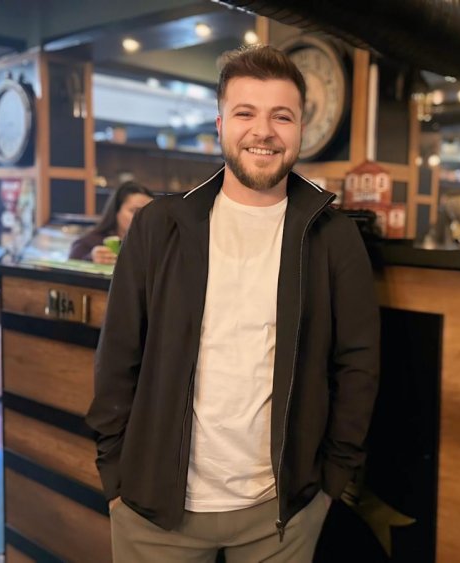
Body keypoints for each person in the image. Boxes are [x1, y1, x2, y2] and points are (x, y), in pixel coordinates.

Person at [86, 45, 380, 562]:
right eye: (246, 113)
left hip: (282, 515)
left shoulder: (333, 236)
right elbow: (118, 356)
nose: (263, 131)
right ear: (221, 124)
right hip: (153, 510)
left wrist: (332, 482)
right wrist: (115, 475)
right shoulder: (159, 226)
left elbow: (358, 363)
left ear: (300, 129)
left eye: (281, 116)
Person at [69, 182, 153, 264]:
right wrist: (90, 260)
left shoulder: (154, 246)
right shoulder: (87, 244)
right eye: (135, 211)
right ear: (116, 211)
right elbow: (71, 268)